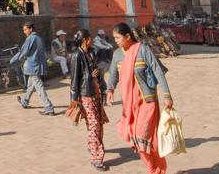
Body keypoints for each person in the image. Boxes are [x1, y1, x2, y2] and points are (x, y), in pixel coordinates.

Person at [106, 22, 173, 174]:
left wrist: (167, 95)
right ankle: (153, 169)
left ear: (127, 36)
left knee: (141, 136)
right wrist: (110, 89)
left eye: (118, 37)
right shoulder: (117, 55)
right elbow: (112, 75)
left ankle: (157, 169)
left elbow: (158, 71)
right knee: (138, 141)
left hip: (147, 101)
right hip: (129, 104)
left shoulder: (142, 50)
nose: (115, 40)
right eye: (114, 38)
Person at [69, 29, 109, 171]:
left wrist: (96, 73)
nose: (91, 40)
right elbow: (74, 79)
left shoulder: (91, 52)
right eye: (89, 38)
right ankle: (97, 158)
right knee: (94, 125)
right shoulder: (76, 55)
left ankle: (92, 145)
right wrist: (74, 100)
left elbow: (96, 69)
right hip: (85, 94)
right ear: (85, 39)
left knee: (99, 123)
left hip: (96, 92)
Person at [11, 21, 54, 115]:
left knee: (39, 86)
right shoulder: (38, 38)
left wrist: (13, 59)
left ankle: (48, 106)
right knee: (31, 85)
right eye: (24, 30)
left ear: (31, 29)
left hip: (33, 66)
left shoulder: (30, 38)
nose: (24, 31)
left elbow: (23, 52)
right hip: (38, 65)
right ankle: (25, 100)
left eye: (26, 29)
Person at [92, 29, 115, 99]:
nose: (103, 36)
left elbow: (108, 44)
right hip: (96, 59)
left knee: (100, 79)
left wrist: (109, 47)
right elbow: (102, 46)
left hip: (100, 62)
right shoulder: (96, 40)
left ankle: (103, 96)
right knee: (99, 79)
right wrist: (108, 47)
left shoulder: (102, 39)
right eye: (102, 35)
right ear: (99, 35)